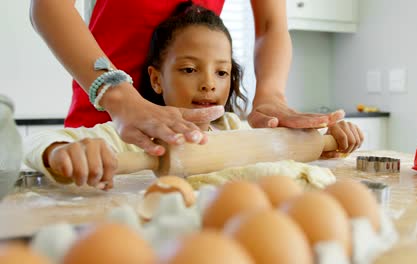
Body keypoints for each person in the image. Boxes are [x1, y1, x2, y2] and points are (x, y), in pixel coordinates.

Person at [24, 3, 363, 190]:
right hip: (108, 133)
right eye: (190, 70)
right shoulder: (106, 138)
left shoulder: (227, 129)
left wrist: (272, 97)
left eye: (222, 71)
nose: (208, 82)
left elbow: (272, 24)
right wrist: (122, 100)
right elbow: (47, 5)